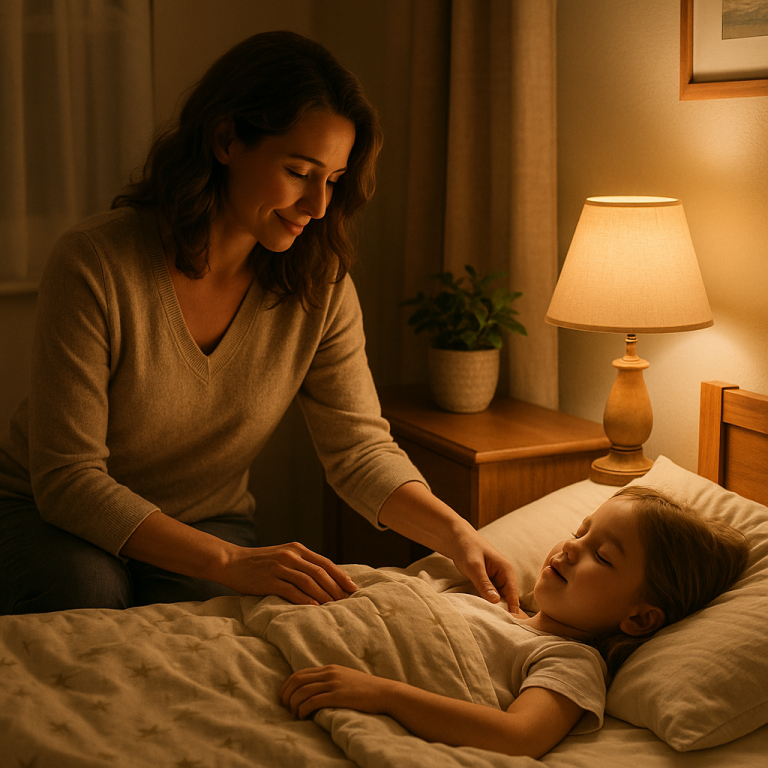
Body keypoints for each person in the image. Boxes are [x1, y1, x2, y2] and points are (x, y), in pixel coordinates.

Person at [0, 31, 518, 615]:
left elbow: (358, 450)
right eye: (300, 171)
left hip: (206, 516)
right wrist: (229, 561)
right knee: (91, 593)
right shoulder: (95, 262)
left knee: (214, 633)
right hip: (46, 513)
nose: (319, 205)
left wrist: (458, 535)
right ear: (226, 139)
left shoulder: (320, 287)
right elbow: (69, 481)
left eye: (334, 179)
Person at [280, 486, 749, 759]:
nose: (569, 548)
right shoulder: (492, 603)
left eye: (601, 557)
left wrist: (381, 693)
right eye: (580, 532)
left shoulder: (569, 660)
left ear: (641, 617)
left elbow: (518, 736)